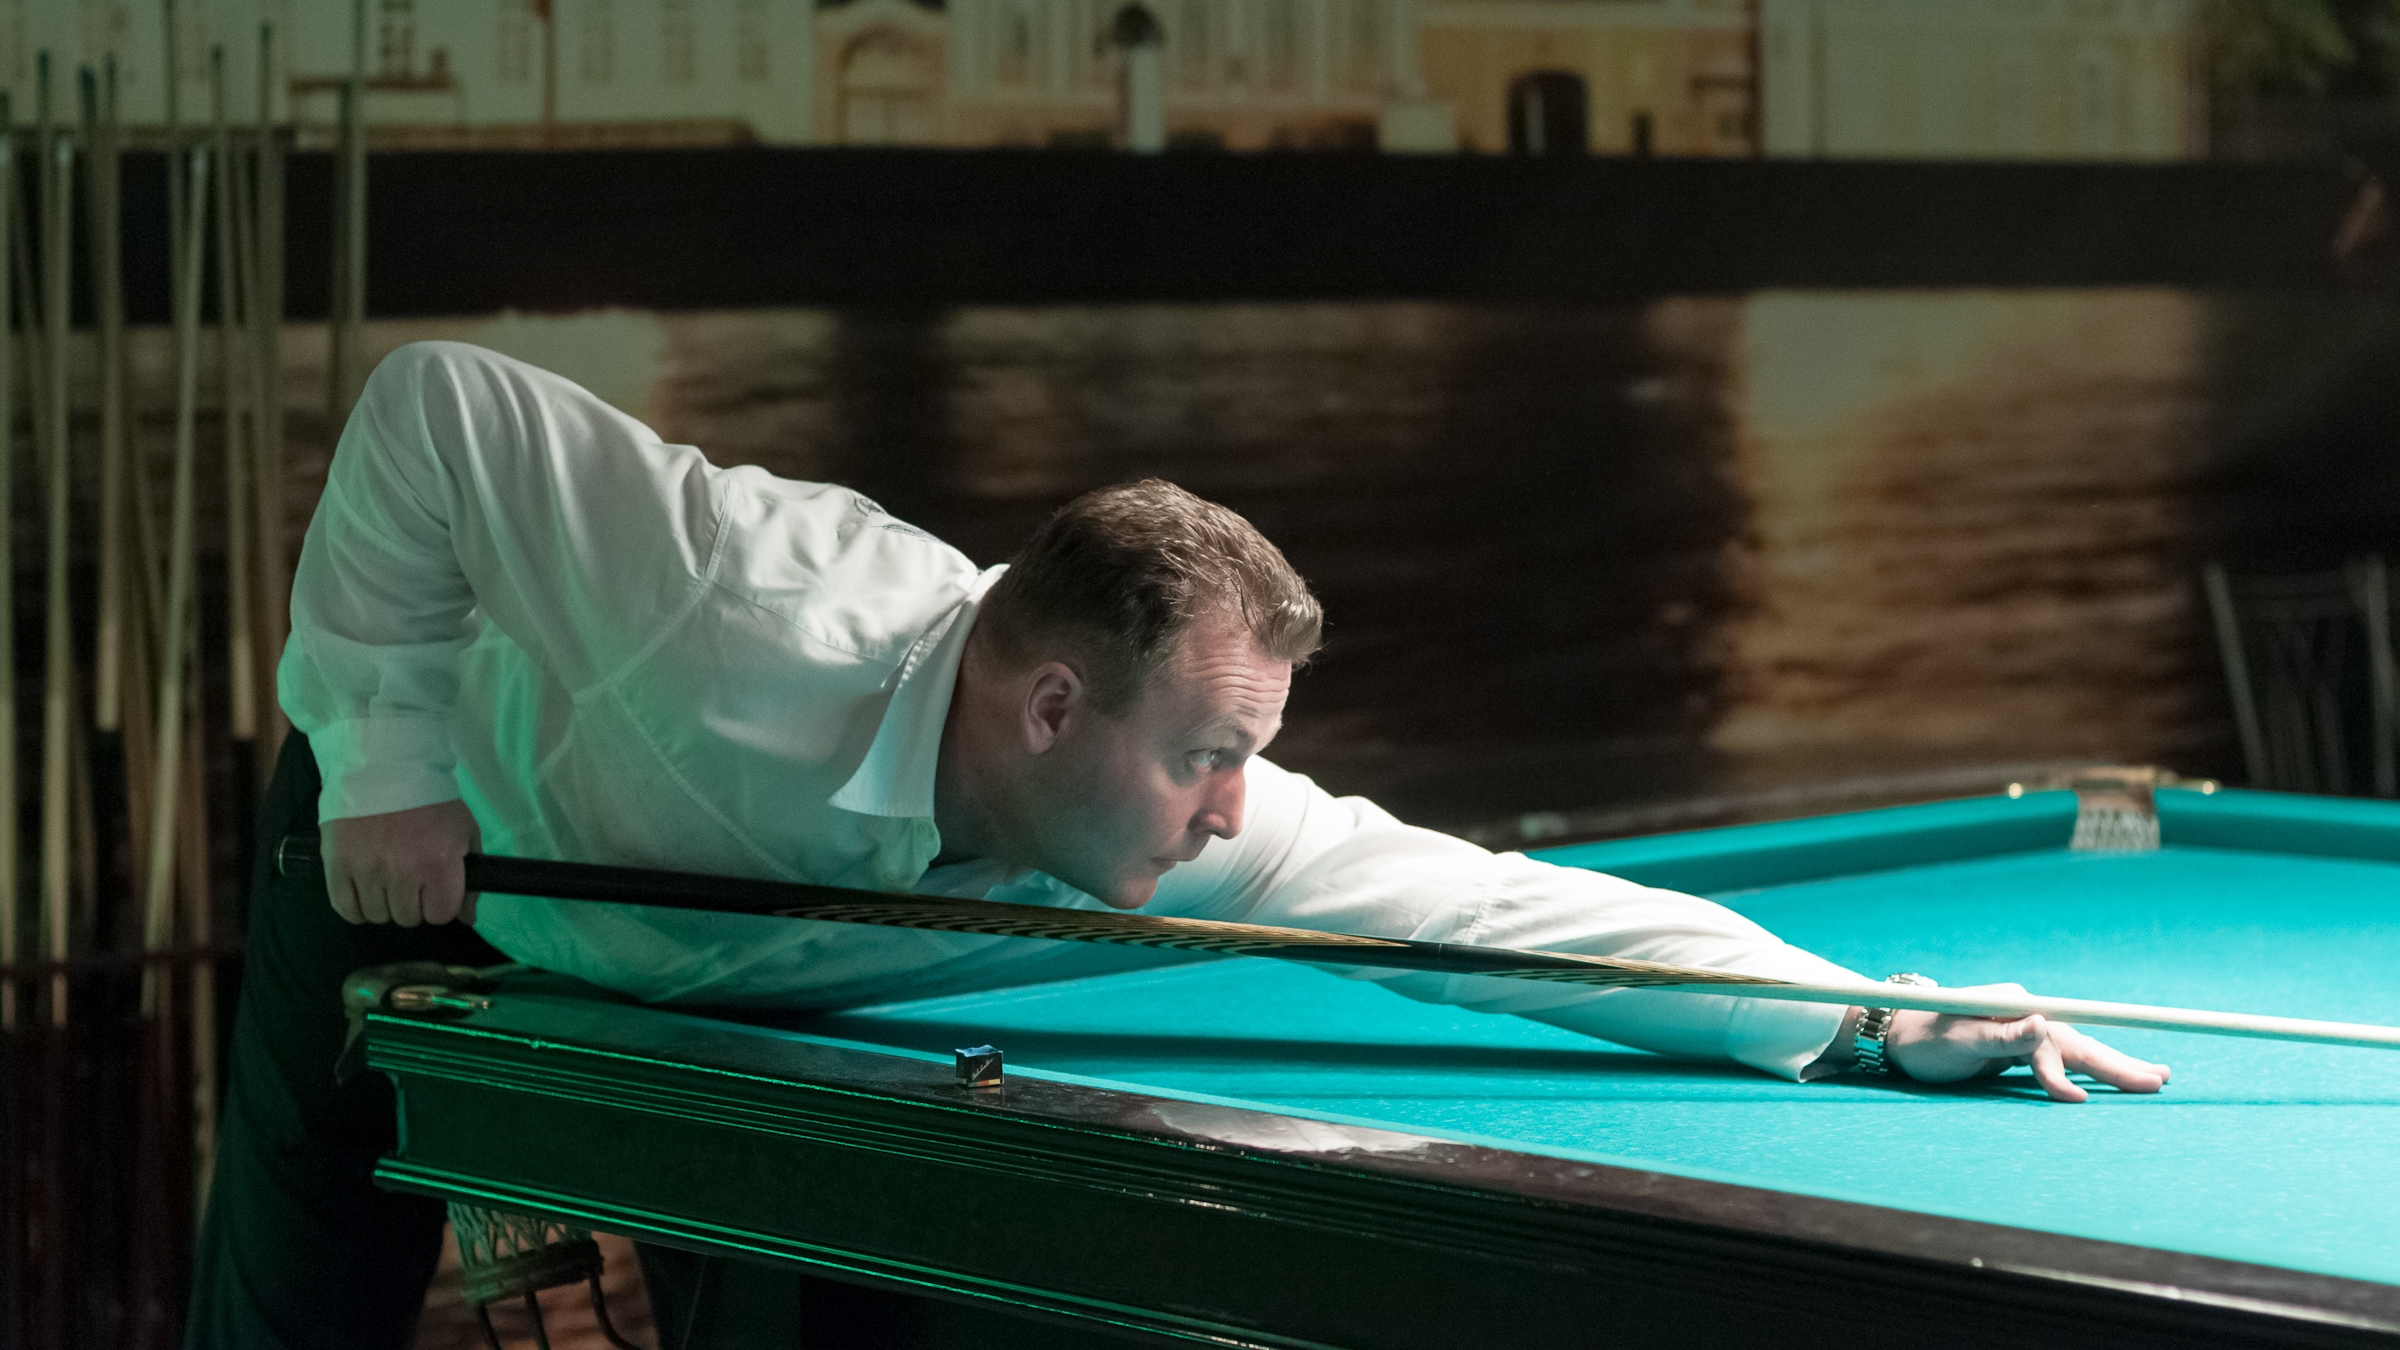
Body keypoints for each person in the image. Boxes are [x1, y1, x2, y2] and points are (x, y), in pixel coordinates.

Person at [188, 342, 2169, 1350]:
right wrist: (386, 762)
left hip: (714, 988)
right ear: (1052, 707)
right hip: (423, 867)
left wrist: (1870, 1016)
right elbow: (434, 410)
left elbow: (1485, 909)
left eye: (1249, 763)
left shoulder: (1172, 826)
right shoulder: (744, 607)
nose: (1237, 809)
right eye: (1212, 755)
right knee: (302, 1296)